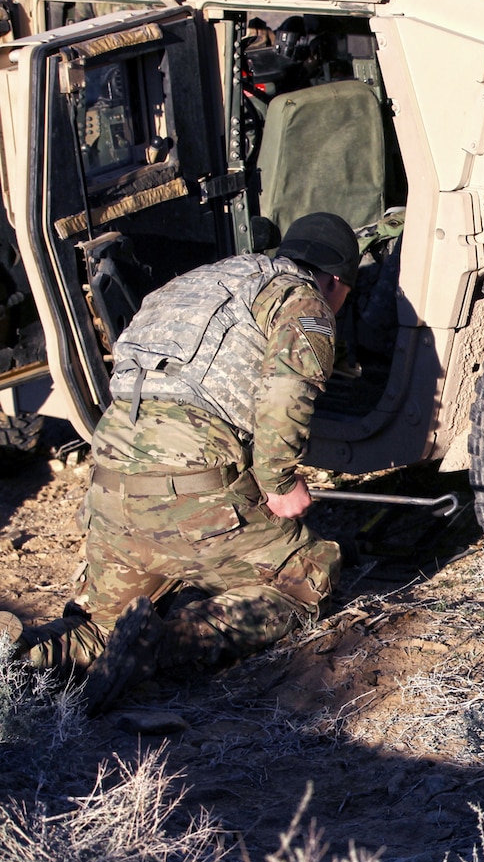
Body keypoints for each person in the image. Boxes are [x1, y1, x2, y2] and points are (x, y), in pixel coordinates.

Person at [4, 213, 359, 714]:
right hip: (189, 495)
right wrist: (279, 481)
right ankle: (161, 645)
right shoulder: (302, 299)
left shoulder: (203, 282)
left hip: (109, 486)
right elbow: (285, 394)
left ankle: (19, 659)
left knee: (98, 630)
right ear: (338, 280)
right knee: (308, 571)